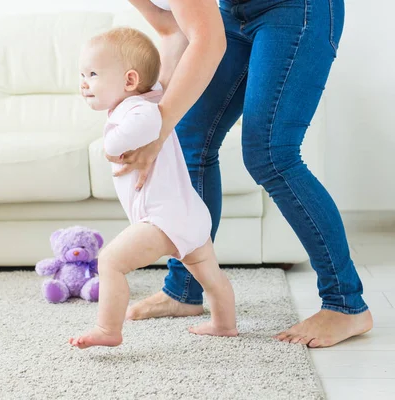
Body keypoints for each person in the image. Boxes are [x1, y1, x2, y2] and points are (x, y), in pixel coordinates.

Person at [120, 0, 372, 348]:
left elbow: (207, 43)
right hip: (234, 11)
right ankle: (185, 290)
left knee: (270, 153)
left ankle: (346, 304)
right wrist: (151, 120)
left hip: (297, 9)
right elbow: (171, 28)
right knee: (190, 140)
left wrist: (160, 126)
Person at [69, 27, 237, 349]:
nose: (84, 82)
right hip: (187, 213)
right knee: (210, 276)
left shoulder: (138, 109)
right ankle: (223, 323)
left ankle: (108, 329)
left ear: (129, 81)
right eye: (82, 74)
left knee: (110, 262)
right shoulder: (150, 98)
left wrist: (111, 143)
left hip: (162, 219)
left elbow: (148, 123)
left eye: (92, 74)